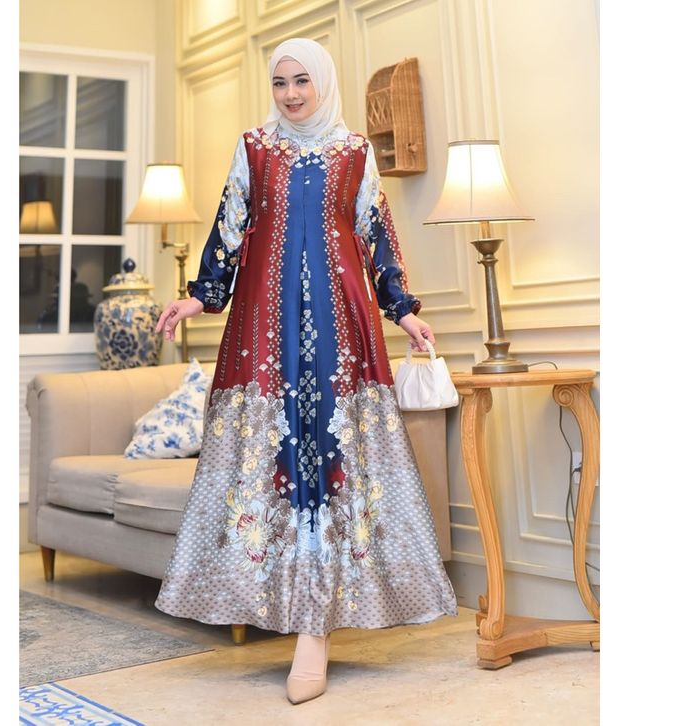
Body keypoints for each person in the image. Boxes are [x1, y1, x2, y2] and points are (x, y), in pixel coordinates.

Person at [154, 37, 458, 705]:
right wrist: (199, 296)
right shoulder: (254, 148)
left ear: (322, 82)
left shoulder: (355, 153)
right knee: (275, 458)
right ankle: (289, 612)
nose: (290, 94)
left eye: (301, 81)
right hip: (265, 325)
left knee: (333, 457)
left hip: (342, 327)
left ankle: (315, 628)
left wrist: (404, 311)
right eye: (280, 82)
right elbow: (228, 231)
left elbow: (377, 238)